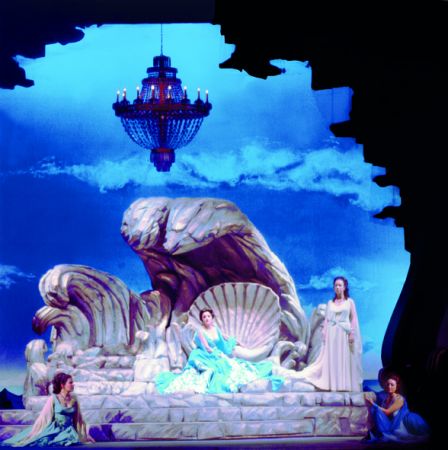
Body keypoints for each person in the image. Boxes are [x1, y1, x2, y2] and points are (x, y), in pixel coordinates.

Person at [155, 308, 284, 394]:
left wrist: (236, 342)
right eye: (204, 317)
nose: (206, 318)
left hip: (215, 353)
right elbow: (206, 347)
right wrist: (216, 354)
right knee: (220, 367)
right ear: (202, 319)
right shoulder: (200, 331)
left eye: (208, 316)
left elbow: (224, 337)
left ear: (212, 318)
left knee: (235, 365)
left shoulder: (215, 328)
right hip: (204, 355)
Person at [297, 276, 363, 391]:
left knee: (343, 358)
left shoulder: (349, 302)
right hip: (332, 333)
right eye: (336, 285)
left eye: (340, 285)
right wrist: (324, 334)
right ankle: (333, 385)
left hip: (344, 332)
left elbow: (353, 318)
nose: (337, 287)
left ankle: (343, 385)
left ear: (344, 287)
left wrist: (352, 333)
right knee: (333, 359)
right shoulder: (330, 303)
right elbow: (327, 320)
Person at [1, 372, 94, 447]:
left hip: (69, 430)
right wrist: (39, 430)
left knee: (69, 439)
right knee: (44, 440)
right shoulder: (54, 398)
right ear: (62, 385)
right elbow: (44, 417)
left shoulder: (74, 399)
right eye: (70, 382)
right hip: (56, 428)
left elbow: (79, 419)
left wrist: (85, 435)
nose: (73, 384)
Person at [364, 373, 430, 443]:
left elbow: (387, 412)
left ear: (396, 387)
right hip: (390, 424)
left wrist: (373, 403)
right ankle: (380, 432)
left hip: (398, 425)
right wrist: (366, 388)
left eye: (392, 385)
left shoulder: (399, 399)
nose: (389, 387)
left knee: (376, 409)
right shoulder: (385, 399)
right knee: (374, 410)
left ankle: (383, 433)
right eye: (387, 384)